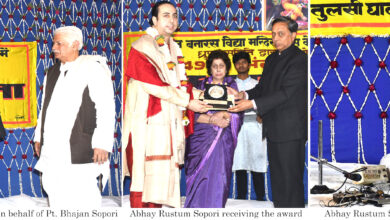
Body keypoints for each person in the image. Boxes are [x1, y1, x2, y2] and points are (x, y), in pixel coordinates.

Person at [122, 1, 209, 208]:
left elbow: (180, 84)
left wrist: (209, 96)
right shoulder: (142, 46)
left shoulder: (174, 47)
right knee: (145, 180)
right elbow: (156, 86)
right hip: (147, 123)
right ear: (154, 20)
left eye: (174, 15)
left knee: (161, 183)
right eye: (166, 15)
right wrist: (189, 101)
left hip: (169, 122)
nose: (172, 20)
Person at [229, 16, 307, 208]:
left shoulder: (300, 59)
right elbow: (263, 88)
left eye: (281, 34)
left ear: (293, 35)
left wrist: (252, 104)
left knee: (290, 183)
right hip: (274, 129)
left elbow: (285, 93)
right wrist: (243, 94)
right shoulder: (272, 58)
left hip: (290, 131)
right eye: (273, 34)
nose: (276, 38)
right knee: (279, 182)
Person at [33, 26, 115, 207]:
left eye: (59, 43)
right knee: (53, 186)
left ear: (76, 44)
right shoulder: (52, 72)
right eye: (54, 42)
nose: (54, 47)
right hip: (53, 145)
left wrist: (102, 143)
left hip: (80, 142)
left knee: (82, 190)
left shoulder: (93, 67)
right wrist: (39, 137)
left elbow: (106, 107)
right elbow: (44, 108)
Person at [184, 50, 243, 208]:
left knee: (219, 176)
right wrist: (212, 119)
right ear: (209, 68)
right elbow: (191, 115)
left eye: (221, 66)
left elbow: (239, 114)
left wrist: (225, 115)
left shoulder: (233, 89)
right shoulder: (200, 87)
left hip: (223, 140)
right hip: (201, 140)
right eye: (214, 66)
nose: (218, 69)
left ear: (227, 68)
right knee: (199, 175)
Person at [231, 51, 267, 201]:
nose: (241, 65)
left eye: (244, 62)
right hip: (237, 127)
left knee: (257, 162)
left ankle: (260, 198)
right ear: (234, 66)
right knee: (239, 162)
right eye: (238, 62)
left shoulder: (257, 85)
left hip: (255, 127)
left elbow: (266, 103)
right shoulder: (231, 86)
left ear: (249, 64)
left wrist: (262, 115)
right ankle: (240, 199)